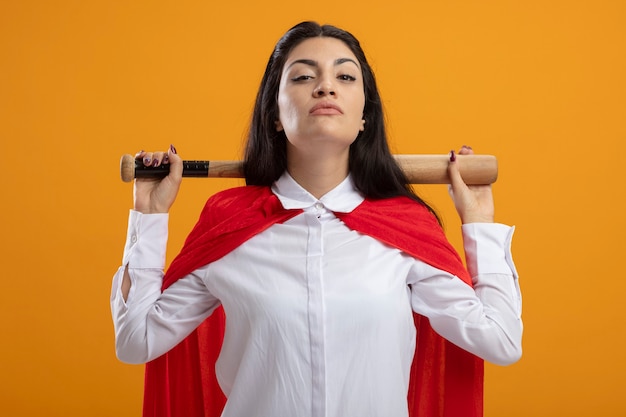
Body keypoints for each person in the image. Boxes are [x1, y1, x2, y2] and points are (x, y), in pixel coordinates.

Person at [111, 21, 522, 417]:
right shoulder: (229, 226)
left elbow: (501, 340)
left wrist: (479, 222)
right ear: (275, 113)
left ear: (364, 116)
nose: (326, 86)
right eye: (303, 77)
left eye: (345, 77)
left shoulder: (405, 230)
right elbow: (137, 341)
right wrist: (149, 214)